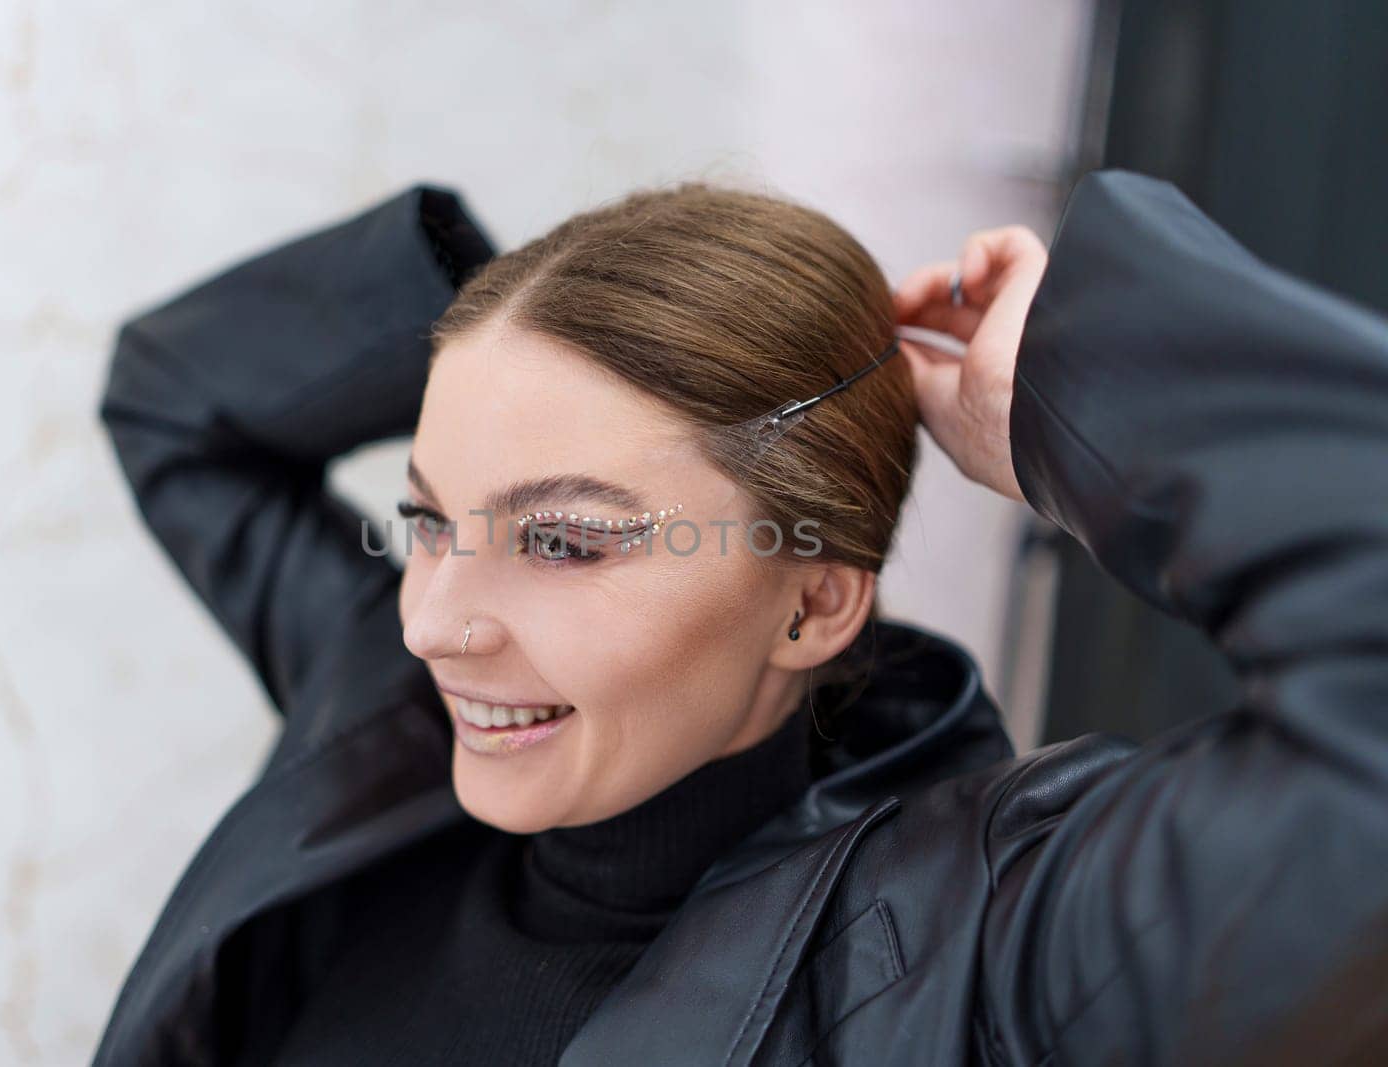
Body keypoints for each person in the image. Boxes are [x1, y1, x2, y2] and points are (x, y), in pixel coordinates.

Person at [91, 170, 1388, 1065]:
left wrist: (1081, 393)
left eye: (560, 539)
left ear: (814, 603)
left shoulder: (980, 955)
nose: (435, 623)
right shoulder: (377, 705)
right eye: (428, 518)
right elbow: (177, 401)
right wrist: (544, 328)